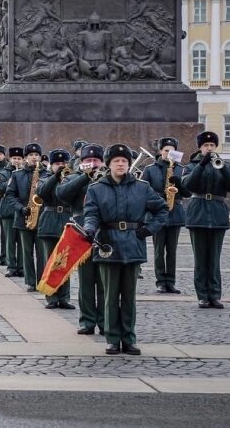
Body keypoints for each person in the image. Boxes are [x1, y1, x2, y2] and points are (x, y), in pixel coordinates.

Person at [83, 144, 168, 355]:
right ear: (109, 164)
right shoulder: (96, 188)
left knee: (129, 296)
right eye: (116, 161)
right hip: (107, 245)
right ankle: (112, 338)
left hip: (133, 243)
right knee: (110, 295)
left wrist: (148, 230)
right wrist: (90, 229)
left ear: (129, 164)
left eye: (124, 161)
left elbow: (162, 209)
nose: (120, 164)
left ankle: (129, 338)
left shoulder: (142, 187)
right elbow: (91, 213)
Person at [181, 131, 230, 309]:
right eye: (206, 145)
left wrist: (222, 168)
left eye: (212, 145)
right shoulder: (191, 166)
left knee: (214, 258)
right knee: (201, 259)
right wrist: (201, 165)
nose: (209, 148)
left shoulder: (225, 165)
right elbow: (188, 185)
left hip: (217, 212)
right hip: (198, 212)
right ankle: (202, 295)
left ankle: (214, 294)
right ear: (200, 147)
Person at [56, 143, 106, 334]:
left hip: (103, 231)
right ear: (81, 162)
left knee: (103, 280)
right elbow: (62, 194)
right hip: (80, 230)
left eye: (95, 160)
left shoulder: (108, 177)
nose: (92, 164)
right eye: (88, 161)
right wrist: (84, 176)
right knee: (85, 280)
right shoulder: (73, 177)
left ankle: (104, 320)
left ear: (102, 162)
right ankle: (87, 320)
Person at [141, 137, 190, 294]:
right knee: (158, 250)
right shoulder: (150, 169)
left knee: (172, 250)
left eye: (172, 151)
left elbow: (188, 192)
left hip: (175, 213)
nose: (169, 153)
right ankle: (160, 281)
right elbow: (142, 191)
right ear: (160, 151)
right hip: (157, 214)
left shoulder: (182, 169)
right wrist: (160, 196)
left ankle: (171, 281)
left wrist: (180, 183)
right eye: (166, 150)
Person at [36, 149, 76, 310]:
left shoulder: (72, 179)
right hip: (49, 222)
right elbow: (42, 193)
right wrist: (55, 177)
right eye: (57, 164)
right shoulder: (45, 178)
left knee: (66, 262)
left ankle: (64, 297)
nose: (61, 166)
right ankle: (51, 297)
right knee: (51, 261)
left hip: (67, 221)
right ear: (51, 165)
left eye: (63, 163)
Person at [5, 143, 47, 291]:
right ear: (26, 158)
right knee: (27, 252)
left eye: (36, 155)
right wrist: (20, 208)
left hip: (42, 218)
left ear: (40, 157)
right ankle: (30, 282)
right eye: (31, 155)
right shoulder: (17, 175)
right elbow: (9, 195)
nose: (34, 158)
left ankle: (42, 281)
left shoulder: (47, 175)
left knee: (42, 253)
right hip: (24, 217)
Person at [0, 147, 24, 277]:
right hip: (8, 210)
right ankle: (11, 266)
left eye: (19, 159)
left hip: (21, 211)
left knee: (21, 241)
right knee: (9, 240)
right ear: (10, 159)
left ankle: (21, 266)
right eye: (14, 158)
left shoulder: (25, 172)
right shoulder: (4, 172)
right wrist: (14, 177)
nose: (17, 161)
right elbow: (1, 187)